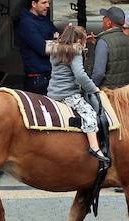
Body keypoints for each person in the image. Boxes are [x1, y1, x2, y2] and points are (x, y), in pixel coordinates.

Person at [46, 24, 109, 166]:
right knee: (90, 115)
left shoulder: (56, 49)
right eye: (84, 41)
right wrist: (93, 89)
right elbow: (80, 75)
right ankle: (94, 147)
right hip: (68, 93)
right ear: (79, 41)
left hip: (53, 92)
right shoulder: (74, 53)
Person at [15, 0, 58, 95]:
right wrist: (57, 41)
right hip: (37, 79)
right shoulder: (27, 24)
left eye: (48, 2)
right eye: (44, 3)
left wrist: (54, 40)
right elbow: (43, 49)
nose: (48, 6)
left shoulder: (44, 19)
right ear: (34, 4)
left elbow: (57, 34)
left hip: (48, 74)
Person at [86, 6, 129, 89]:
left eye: (104, 18)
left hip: (107, 92)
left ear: (108, 23)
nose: (102, 20)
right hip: (124, 91)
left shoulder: (104, 41)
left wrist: (91, 88)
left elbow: (99, 73)